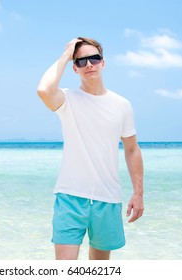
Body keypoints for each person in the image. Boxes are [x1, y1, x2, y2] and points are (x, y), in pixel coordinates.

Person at [37, 37, 144, 260]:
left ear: (103, 63)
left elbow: (132, 150)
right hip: (70, 198)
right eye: (81, 60)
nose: (89, 65)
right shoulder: (67, 100)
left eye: (94, 58)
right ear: (74, 68)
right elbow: (44, 90)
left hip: (108, 200)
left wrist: (138, 193)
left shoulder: (122, 105)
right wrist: (66, 54)